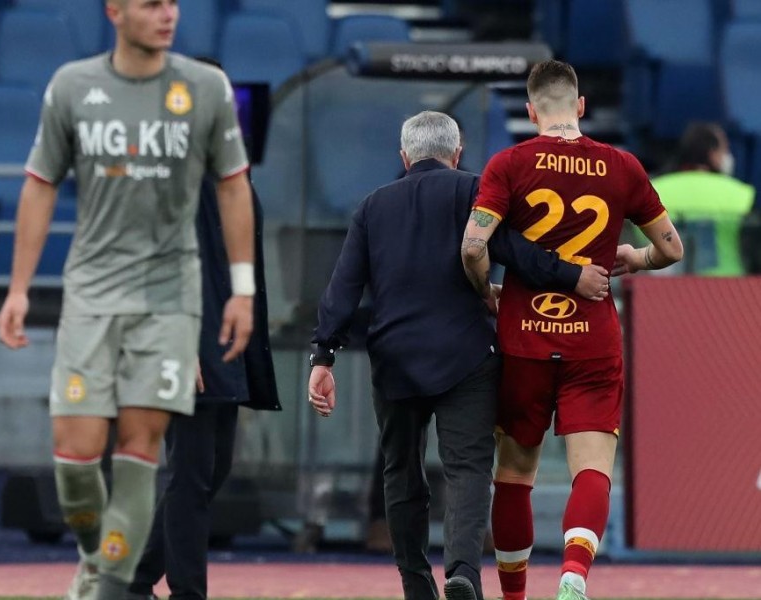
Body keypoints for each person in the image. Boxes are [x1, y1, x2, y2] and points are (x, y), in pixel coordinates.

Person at [0, 1, 256, 598]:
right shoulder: (73, 86)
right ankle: (95, 558)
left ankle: (112, 586)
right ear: (114, 10)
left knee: (142, 455)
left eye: (173, 3)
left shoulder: (205, 88)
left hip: (171, 301)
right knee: (77, 459)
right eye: (151, 4)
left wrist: (241, 294)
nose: (167, 14)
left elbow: (236, 189)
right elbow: (39, 187)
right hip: (93, 293)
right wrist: (17, 288)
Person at [308, 110, 610, 600]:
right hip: (467, 354)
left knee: (400, 471)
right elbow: (516, 249)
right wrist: (570, 275)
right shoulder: (475, 191)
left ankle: (415, 583)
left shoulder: (371, 207)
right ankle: (464, 573)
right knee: (468, 469)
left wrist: (324, 355)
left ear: (404, 157)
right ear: (458, 153)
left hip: (395, 357)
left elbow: (343, 288)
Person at [459, 60, 684, 600]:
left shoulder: (509, 164)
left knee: (514, 472)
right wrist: (635, 256)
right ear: (580, 106)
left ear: (532, 110)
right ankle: (573, 576)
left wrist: (484, 292)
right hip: (593, 340)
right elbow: (673, 249)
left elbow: (473, 245)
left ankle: (514, 595)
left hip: (524, 338)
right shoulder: (622, 165)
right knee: (593, 469)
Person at [128, 173, 280, 600]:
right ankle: (184, 592)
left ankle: (131, 581)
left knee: (212, 468)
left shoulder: (232, 175)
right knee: (192, 474)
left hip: (224, 340)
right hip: (192, 340)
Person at [646, 122, 754, 275]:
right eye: (724, 150)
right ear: (712, 153)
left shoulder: (653, 190)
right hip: (726, 287)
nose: (728, 157)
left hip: (661, 286)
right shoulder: (741, 194)